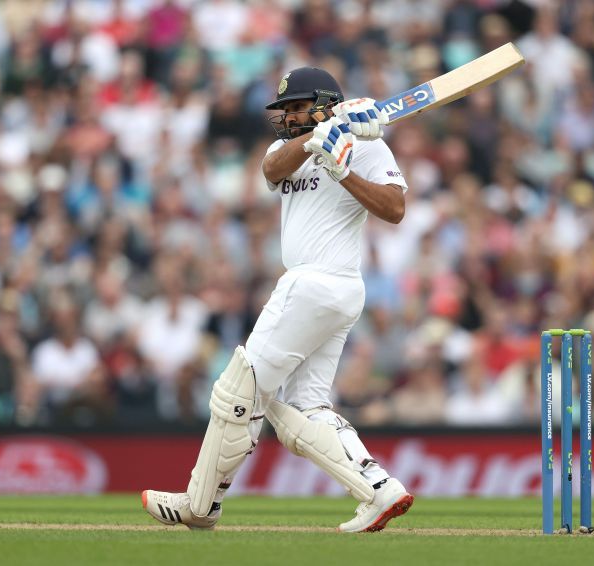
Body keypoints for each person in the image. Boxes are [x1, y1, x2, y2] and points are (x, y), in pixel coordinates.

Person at [142, 67, 413, 532]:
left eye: (296, 108)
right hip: (328, 291)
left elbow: (395, 209)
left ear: (325, 103)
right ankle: (378, 489)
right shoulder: (287, 150)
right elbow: (271, 169)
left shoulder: (367, 144)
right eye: (283, 110)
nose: (287, 117)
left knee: (238, 392)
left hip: (320, 283)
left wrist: (343, 168)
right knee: (303, 409)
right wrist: (317, 139)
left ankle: (200, 503)